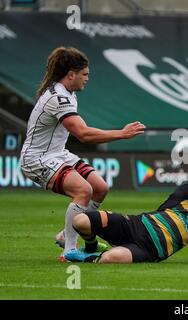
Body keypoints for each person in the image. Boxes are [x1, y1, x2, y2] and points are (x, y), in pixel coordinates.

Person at [19, 47, 146, 260]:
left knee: (100, 188)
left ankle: (65, 234)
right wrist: (122, 134)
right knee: (83, 190)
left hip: (57, 153)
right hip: (37, 158)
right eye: (84, 74)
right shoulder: (58, 98)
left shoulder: (69, 93)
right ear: (71, 75)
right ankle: (69, 250)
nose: (87, 79)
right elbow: (83, 134)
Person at [63, 159, 188, 264]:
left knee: (109, 259)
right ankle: (90, 247)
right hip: (135, 225)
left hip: (150, 251)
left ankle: (87, 257)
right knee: (80, 221)